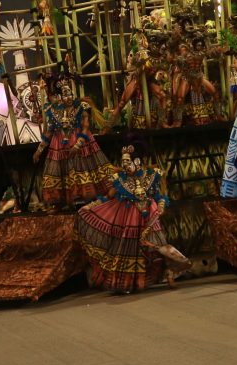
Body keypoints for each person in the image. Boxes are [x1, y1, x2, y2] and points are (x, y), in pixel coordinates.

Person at [74, 144, 191, 293]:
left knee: (158, 245)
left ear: (137, 162)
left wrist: (161, 206)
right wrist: (90, 206)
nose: (125, 166)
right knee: (131, 250)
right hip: (130, 219)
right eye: (123, 163)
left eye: (128, 162)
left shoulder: (151, 175)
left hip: (150, 216)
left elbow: (159, 196)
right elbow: (108, 196)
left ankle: (169, 274)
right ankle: (128, 283)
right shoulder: (120, 179)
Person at [34, 70, 113, 209]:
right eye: (65, 94)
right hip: (59, 146)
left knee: (80, 169)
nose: (68, 97)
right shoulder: (54, 111)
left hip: (80, 144)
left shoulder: (80, 108)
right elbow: (49, 132)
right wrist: (39, 150)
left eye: (70, 93)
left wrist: (78, 144)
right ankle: (62, 202)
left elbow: (85, 127)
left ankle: (85, 200)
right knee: (61, 173)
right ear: (61, 97)